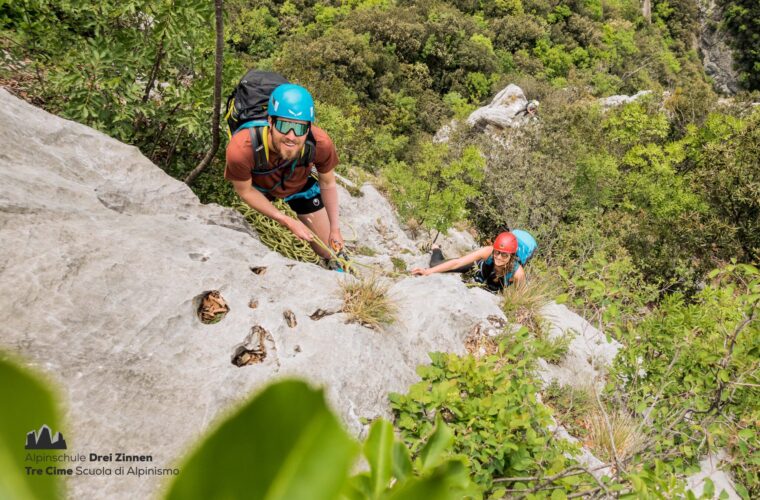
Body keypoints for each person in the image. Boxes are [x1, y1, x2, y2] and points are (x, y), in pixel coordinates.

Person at [225, 83, 343, 261]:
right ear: (270, 122)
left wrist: (335, 229)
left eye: (299, 128)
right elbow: (245, 191)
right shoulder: (242, 148)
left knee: (329, 252)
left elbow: (327, 182)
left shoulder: (321, 144)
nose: (291, 136)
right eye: (284, 125)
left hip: (298, 185)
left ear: (309, 128)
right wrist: (285, 220)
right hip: (260, 187)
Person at [411, 230, 537, 292]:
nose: (499, 257)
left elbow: (521, 297)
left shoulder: (517, 274)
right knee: (434, 265)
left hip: (497, 281)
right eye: (497, 252)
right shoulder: (488, 251)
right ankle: (436, 248)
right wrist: (428, 272)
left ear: (512, 256)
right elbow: (458, 262)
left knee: (491, 287)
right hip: (480, 268)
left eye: (504, 255)